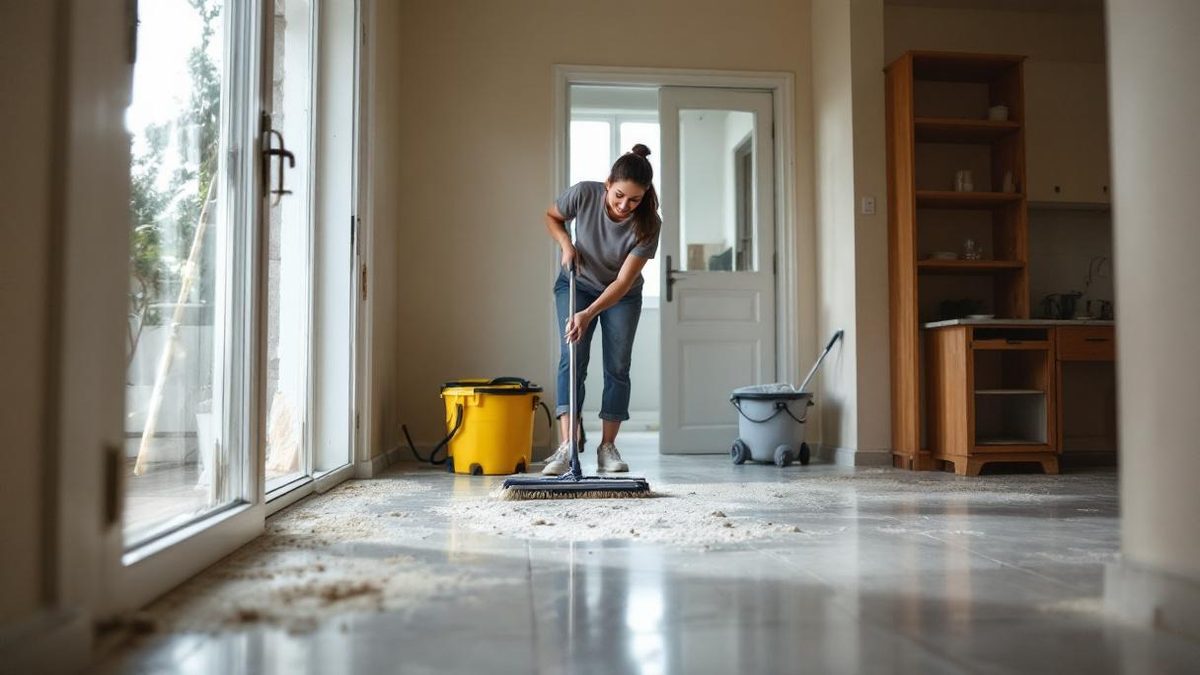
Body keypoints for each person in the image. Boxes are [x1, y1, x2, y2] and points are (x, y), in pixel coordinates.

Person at [542, 144, 661, 475]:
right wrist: (567, 244)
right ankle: (567, 445)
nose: (625, 206)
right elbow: (552, 216)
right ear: (608, 183)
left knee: (617, 366)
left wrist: (588, 313)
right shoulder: (583, 194)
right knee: (573, 356)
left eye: (634, 200)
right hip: (576, 284)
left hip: (620, 296)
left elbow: (622, 284)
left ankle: (607, 447)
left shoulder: (649, 224)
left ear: (645, 195)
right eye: (619, 195)